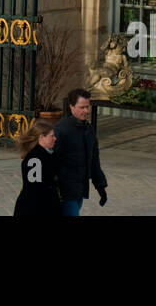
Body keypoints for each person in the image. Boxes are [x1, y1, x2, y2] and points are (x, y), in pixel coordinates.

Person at [53, 88, 108, 216]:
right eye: (82, 107)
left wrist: (101, 187)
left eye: (87, 107)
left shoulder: (88, 129)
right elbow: (52, 161)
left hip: (80, 188)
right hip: (65, 190)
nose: (86, 111)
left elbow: (94, 160)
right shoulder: (61, 130)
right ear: (72, 106)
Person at [14, 118, 61, 216]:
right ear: (41, 138)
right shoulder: (35, 159)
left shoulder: (49, 154)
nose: (55, 138)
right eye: (51, 136)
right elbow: (35, 190)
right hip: (35, 210)